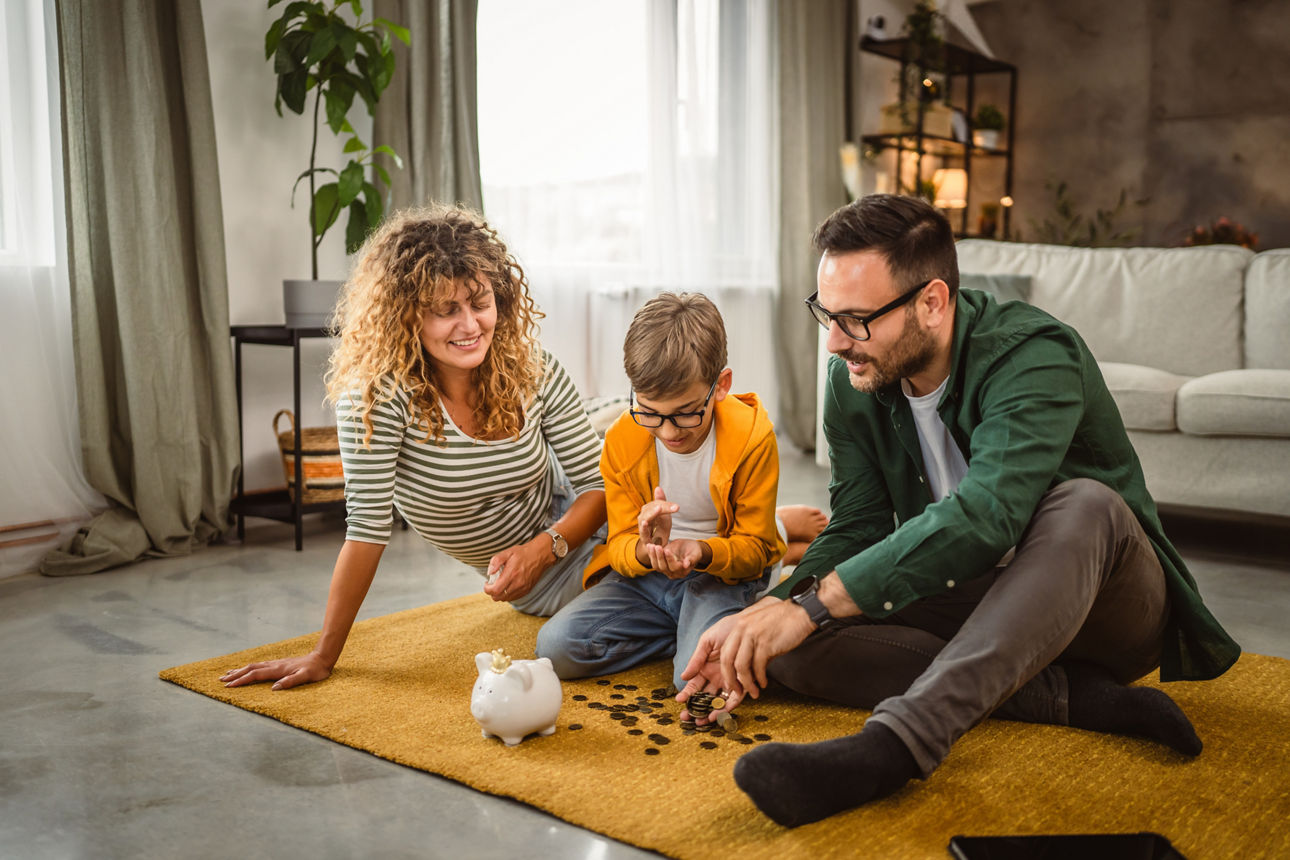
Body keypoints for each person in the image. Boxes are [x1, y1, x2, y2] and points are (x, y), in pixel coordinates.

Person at [676, 194, 1241, 827]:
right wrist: (770, 612)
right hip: (972, 595)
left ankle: (893, 747)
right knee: (786, 642)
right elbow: (859, 525)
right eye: (826, 314)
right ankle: (1065, 699)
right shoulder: (854, 376)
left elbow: (988, 516)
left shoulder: (1035, 353)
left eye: (856, 319)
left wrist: (810, 605)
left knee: (1087, 505)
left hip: (1103, 606)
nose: (835, 342)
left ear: (933, 302)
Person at [221, 205, 608, 691]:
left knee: (664, 482)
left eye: (480, 303)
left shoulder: (534, 368)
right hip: (548, 580)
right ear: (405, 315)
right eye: (446, 310)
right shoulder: (376, 397)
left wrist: (543, 548)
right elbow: (366, 531)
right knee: (614, 614)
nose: (470, 326)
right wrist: (324, 654)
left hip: (581, 518)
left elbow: (598, 483)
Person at [536, 292, 827, 690]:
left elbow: (750, 551)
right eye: (650, 412)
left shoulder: (753, 437)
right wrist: (645, 548)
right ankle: (691, 627)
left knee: (691, 679)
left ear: (721, 385)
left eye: (687, 413)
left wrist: (702, 550)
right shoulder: (622, 438)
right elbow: (618, 547)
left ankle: (768, 555)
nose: (669, 431)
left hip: (723, 571)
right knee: (555, 649)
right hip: (651, 576)